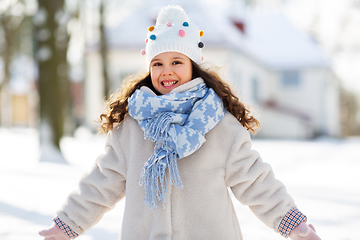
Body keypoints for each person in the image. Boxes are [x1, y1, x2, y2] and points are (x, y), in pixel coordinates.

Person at [39, 5, 321, 240]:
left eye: (177, 61)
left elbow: (257, 182)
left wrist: (293, 225)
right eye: (157, 63)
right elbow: (101, 183)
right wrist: (67, 226)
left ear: (192, 66)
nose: (167, 71)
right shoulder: (131, 127)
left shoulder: (220, 126)